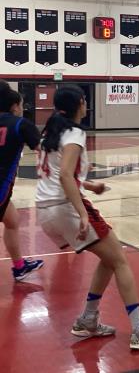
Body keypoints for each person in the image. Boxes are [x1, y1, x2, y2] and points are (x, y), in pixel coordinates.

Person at [35, 85, 139, 350]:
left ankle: (88, 319)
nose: (86, 105)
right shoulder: (75, 132)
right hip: (65, 207)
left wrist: (90, 186)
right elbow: (65, 175)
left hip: (45, 209)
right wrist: (83, 214)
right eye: (84, 101)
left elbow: (59, 173)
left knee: (108, 258)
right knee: (120, 260)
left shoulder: (51, 131)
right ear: (79, 104)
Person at [0, 82, 44, 281]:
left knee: (12, 220)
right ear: (15, 105)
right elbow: (44, 149)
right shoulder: (20, 124)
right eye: (21, 105)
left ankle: (19, 267)